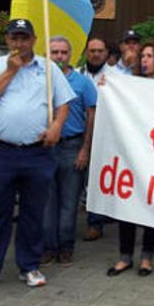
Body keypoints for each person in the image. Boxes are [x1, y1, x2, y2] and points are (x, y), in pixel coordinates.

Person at [0, 19, 74, 291]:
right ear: (7, 40)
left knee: (33, 213)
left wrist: (56, 126)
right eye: (14, 38)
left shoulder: (48, 68)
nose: (19, 43)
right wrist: (9, 73)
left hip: (36, 153)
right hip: (1, 152)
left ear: (34, 40)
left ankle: (29, 265)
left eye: (24, 38)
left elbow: (64, 103)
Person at [107, 40, 154, 277]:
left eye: (149, 56)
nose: (144, 60)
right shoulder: (131, 85)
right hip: (132, 155)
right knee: (128, 206)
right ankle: (125, 257)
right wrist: (107, 86)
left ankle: (147, 257)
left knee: (151, 207)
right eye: (142, 56)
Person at [42, 36, 97, 267]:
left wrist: (85, 149)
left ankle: (65, 247)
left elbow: (91, 117)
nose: (59, 56)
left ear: (70, 55)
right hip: (45, 147)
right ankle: (47, 247)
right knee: (46, 202)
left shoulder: (83, 83)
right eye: (54, 52)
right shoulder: (41, 81)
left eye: (63, 52)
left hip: (72, 146)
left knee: (69, 202)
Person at [78, 36, 114, 241]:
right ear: (86, 53)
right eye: (92, 51)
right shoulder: (77, 74)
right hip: (79, 131)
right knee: (79, 177)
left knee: (97, 179)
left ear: (107, 53)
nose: (96, 54)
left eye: (100, 50)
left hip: (104, 134)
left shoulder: (116, 77)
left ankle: (96, 222)